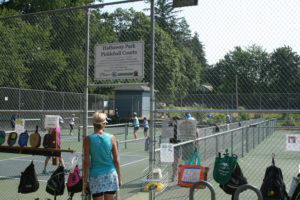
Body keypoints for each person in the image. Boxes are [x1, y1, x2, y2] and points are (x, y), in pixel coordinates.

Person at [83, 112, 121, 200]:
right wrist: (119, 177)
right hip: (111, 174)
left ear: (93, 124)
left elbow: (86, 163)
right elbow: (116, 160)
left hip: (95, 176)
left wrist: (85, 182)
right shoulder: (112, 137)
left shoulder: (87, 139)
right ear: (104, 124)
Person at [169, 116, 181, 182]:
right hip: (171, 146)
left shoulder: (180, 127)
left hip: (178, 145)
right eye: (175, 120)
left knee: (176, 162)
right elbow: (166, 133)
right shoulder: (170, 125)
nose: (176, 122)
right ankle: (174, 175)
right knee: (173, 162)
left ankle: (174, 175)